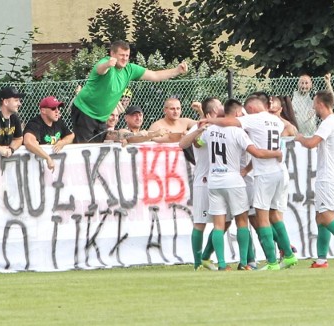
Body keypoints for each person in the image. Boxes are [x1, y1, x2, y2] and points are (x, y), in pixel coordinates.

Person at [204, 97, 298, 270]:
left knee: (260, 219)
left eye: (248, 109)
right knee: (275, 216)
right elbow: (290, 129)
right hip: (279, 172)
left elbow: (231, 122)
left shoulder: (252, 120)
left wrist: (209, 120)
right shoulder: (276, 120)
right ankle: (288, 254)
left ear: (253, 107)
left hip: (263, 174)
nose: (245, 114)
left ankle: (271, 262)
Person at [71, 40, 188, 143]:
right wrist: (107, 64)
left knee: (100, 144)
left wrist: (177, 70)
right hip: (85, 110)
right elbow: (100, 70)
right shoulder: (106, 62)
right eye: (121, 55)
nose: (125, 58)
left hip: (101, 117)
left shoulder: (130, 69)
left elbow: (155, 75)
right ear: (112, 54)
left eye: (127, 55)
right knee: (85, 146)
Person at [295, 90, 334, 268]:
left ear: (321, 104)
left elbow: (310, 143)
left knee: (327, 217)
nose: (313, 106)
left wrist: (300, 137)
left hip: (327, 177)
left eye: (315, 103)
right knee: (320, 217)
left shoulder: (328, 123)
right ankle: (321, 259)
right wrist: (333, 151)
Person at [178, 97, 224, 271]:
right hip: (204, 181)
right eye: (219, 105)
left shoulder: (223, 126)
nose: (222, 107)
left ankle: (206, 256)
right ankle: (198, 263)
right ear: (212, 111)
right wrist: (199, 131)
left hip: (221, 181)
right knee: (200, 222)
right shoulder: (200, 127)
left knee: (224, 222)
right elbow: (183, 144)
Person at [22, 96, 74, 172]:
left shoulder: (58, 122)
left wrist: (62, 142)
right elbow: (28, 142)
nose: (57, 111)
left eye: (58, 108)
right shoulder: (35, 124)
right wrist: (47, 158)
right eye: (53, 108)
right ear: (43, 110)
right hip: (33, 167)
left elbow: (71, 135)